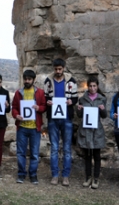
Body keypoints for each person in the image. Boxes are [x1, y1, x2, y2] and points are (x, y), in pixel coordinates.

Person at [43, 58, 78, 186]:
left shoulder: (71, 81)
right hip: (53, 118)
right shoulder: (48, 81)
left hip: (67, 118)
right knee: (54, 148)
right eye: (56, 69)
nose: (58, 71)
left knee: (67, 148)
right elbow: (45, 97)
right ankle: (54, 175)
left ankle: (66, 176)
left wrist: (71, 102)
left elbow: (75, 97)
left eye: (60, 69)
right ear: (54, 68)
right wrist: (48, 102)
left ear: (63, 68)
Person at [11, 70, 46, 185]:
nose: (27, 81)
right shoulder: (18, 93)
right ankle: (21, 174)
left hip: (35, 128)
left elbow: (44, 107)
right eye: (25, 79)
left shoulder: (40, 93)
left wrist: (38, 108)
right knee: (20, 152)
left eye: (29, 79)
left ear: (33, 80)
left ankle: (33, 174)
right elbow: (14, 107)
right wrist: (16, 115)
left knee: (34, 153)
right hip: (22, 127)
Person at [77, 76, 107, 189]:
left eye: (94, 86)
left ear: (97, 86)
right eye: (90, 86)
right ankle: (88, 177)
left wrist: (103, 109)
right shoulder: (83, 99)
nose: (92, 88)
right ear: (87, 86)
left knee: (97, 155)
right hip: (86, 130)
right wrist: (78, 109)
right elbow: (80, 116)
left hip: (96, 131)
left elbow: (104, 116)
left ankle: (96, 178)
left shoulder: (101, 99)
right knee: (87, 155)